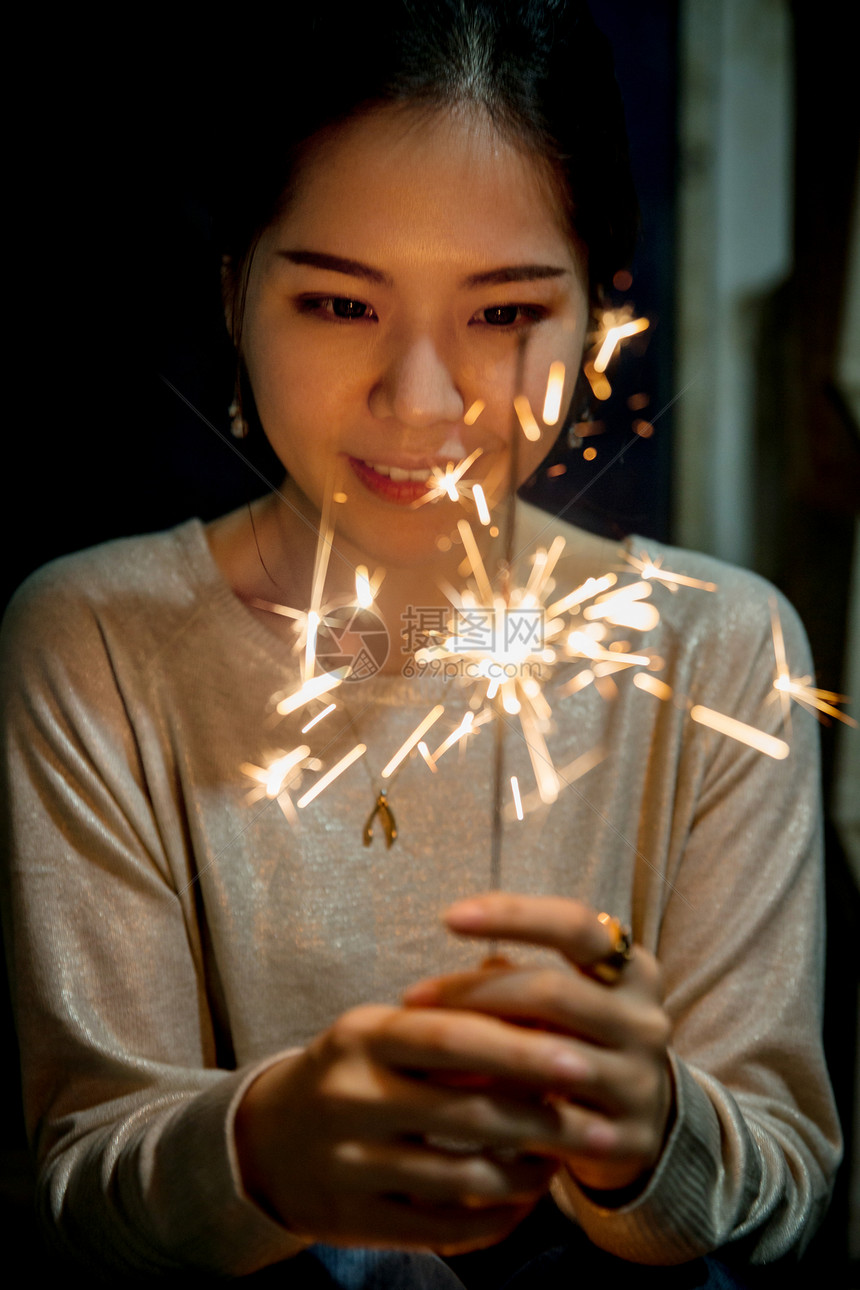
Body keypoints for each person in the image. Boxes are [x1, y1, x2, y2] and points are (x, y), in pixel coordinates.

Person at [0, 2, 841, 1285]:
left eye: (503, 315)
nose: (421, 401)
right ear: (235, 291)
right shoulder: (101, 647)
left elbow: (781, 1184)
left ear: (598, 318)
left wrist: (648, 1131)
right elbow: (86, 1182)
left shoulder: (717, 655)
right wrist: (269, 1150)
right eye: (338, 303)